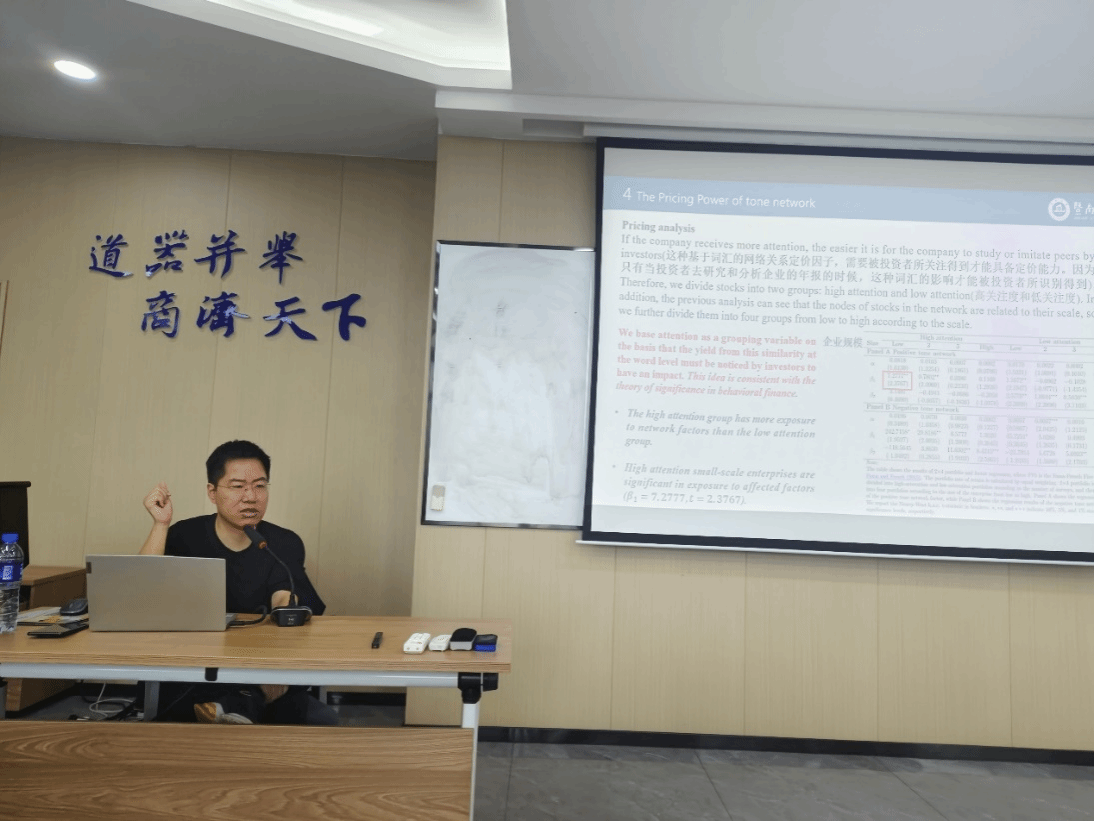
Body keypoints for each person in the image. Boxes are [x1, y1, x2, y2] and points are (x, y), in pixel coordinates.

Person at [140, 439, 336, 726]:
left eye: (260, 485)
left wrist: (286, 608)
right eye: (237, 486)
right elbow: (143, 591)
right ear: (212, 492)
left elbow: (285, 598)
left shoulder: (282, 542)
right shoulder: (185, 535)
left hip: (261, 664)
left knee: (313, 711)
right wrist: (160, 525)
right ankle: (242, 703)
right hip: (198, 665)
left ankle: (238, 705)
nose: (251, 497)